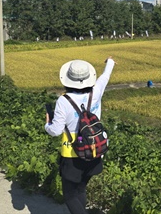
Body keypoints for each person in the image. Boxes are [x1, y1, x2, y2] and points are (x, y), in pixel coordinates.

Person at [45, 57, 115, 214]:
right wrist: (109, 63)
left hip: (72, 154)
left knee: (70, 195)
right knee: (81, 188)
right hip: (94, 150)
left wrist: (47, 124)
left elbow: (55, 131)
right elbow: (105, 77)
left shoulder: (63, 101)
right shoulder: (95, 92)